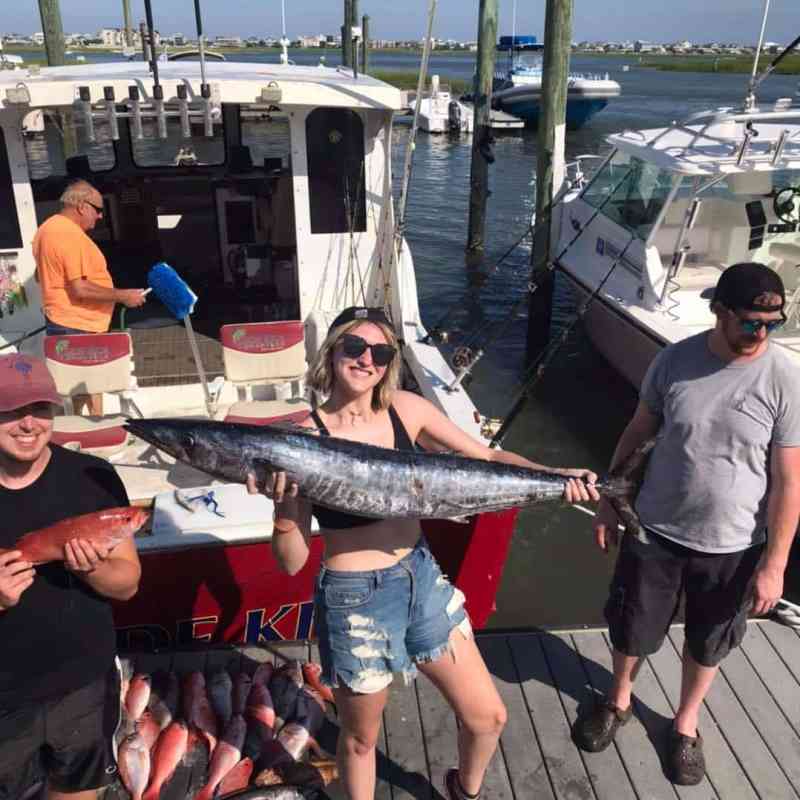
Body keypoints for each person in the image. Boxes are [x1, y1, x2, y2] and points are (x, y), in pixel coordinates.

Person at [246, 306, 600, 800]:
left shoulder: (407, 409)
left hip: (421, 579)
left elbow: (490, 458)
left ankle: (464, 791)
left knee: (488, 716)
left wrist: (558, 478)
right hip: (355, 600)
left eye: (381, 352)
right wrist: (285, 506)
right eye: (354, 347)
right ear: (332, 351)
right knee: (362, 740)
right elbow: (291, 561)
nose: (366, 359)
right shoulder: (303, 436)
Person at [572, 262, 800, 785]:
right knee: (632, 626)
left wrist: (776, 563)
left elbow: (790, 480)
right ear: (719, 310)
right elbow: (637, 432)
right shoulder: (674, 362)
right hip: (654, 529)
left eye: (772, 324)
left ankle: (685, 724)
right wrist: (609, 499)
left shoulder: (786, 379)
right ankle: (618, 700)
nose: (759, 334)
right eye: (748, 322)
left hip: (735, 544)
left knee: (710, 640)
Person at [0, 353, 142, 800]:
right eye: (11, 410)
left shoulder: (93, 476)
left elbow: (128, 584)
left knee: (79, 792)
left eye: (40, 409)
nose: (28, 424)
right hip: (5, 697)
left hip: (84, 683)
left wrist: (94, 568)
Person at [33, 179, 147, 415]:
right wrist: (123, 296)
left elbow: (39, 275)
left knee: (77, 386)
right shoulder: (68, 235)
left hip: (63, 321)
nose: (100, 216)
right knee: (93, 383)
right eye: (98, 209)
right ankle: (97, 432)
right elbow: (80, 289)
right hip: (78, 324)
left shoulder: (46, 229)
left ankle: (78, 427)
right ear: (82, 206)